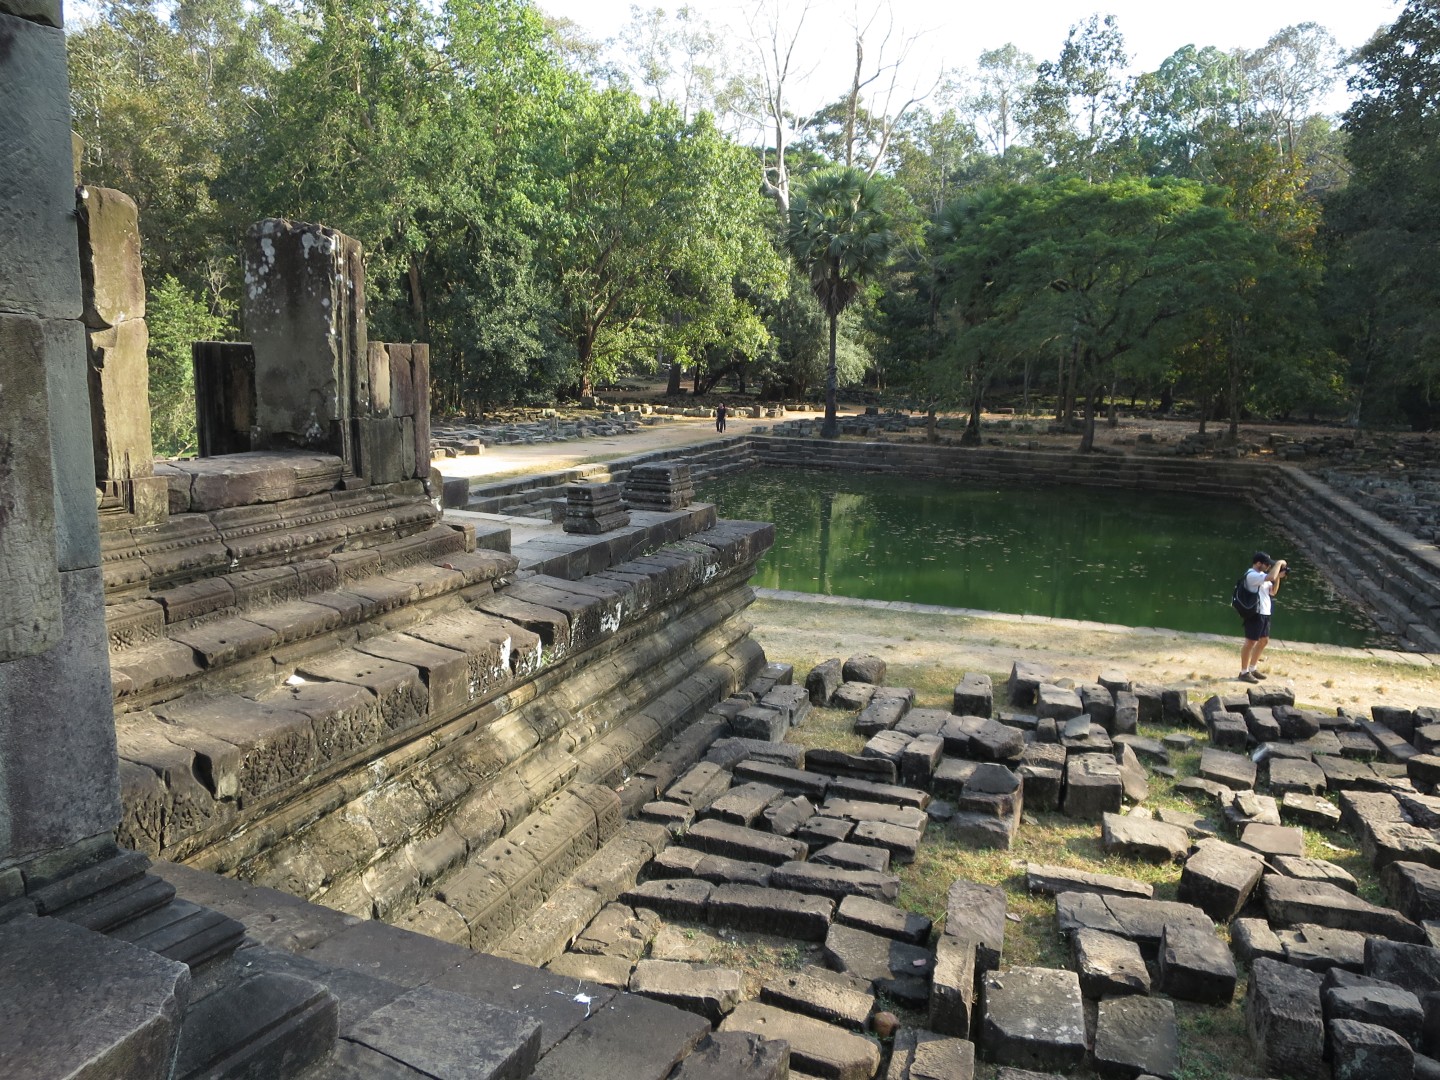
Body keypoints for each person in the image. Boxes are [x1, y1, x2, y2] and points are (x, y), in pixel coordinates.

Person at [1239, 550, 1286, 683]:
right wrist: (1279, 563)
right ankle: (1244, 672)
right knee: (1250, 642)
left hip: (1265, 613)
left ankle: (1253, 668)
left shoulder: (1263, 576)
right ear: (1258, 563)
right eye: (1267, 564)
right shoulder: (1251, 575)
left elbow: (1273, 592)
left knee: (1264, 641)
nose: (1269, 566)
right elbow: (1270, 577)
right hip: (1255, 613)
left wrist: (1278, 577)